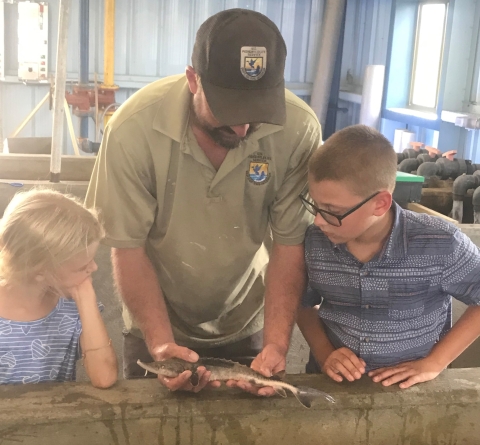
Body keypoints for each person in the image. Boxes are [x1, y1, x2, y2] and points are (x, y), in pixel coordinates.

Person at [86, 8, 321, 394]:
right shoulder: (132, 130)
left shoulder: (298, 129)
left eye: (258, 113)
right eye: (229, 111)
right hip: (157, 318)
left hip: (246, 318)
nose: (244, 128)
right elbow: (128, 248)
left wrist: (278, 344)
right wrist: (161, 345)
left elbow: (290, 244)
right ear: (193, 80)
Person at [297, 124, 480, 389]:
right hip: (332, 382)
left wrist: (435, 362)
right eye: (314, 204)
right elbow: (302, 302)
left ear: (380, 203)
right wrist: (325, 353)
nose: (318, 221)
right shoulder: (315, 242)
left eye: (332, 210)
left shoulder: (440, 243)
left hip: (412, 388)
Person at [0, 189, 117, 387]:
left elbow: (104, 377)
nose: (95, 267)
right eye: (83, 266)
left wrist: (86, 296)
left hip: (54, 415)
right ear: (39, 271)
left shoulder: (71, 307)